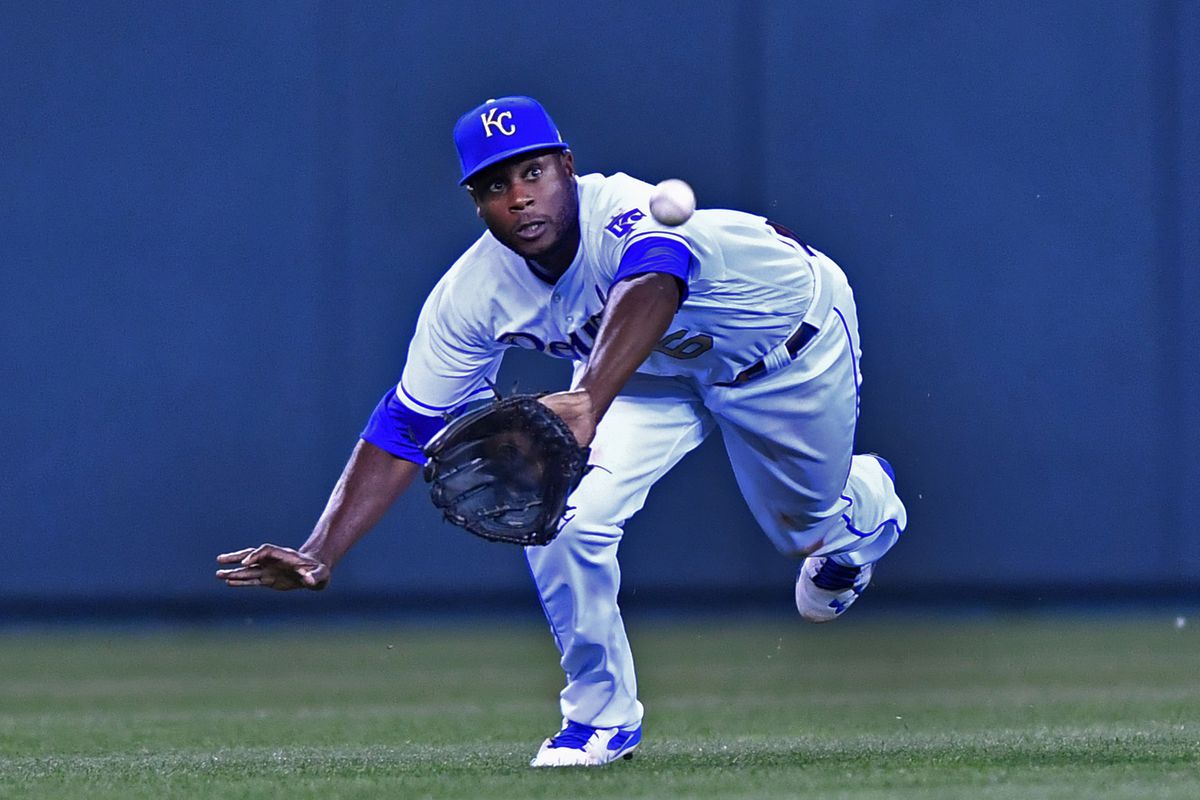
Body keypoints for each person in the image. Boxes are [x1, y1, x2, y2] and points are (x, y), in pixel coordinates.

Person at [216, 96, 907, 767]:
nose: (518, 197)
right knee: (561, 513)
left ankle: (863, 507)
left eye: (532, 172)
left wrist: (588, 401)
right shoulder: (471, 295)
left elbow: (656, 281)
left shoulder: (626, 207)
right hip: (645, 381)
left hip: (782, 352)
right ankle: (598, 719)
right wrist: (321, 549)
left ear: (568, 167)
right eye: (494, 185)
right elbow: (405, 424)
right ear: (477, 204)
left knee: (805, 533)